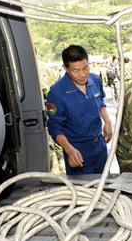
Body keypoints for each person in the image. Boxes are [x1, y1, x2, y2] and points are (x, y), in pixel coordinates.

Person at [47, 45, 112, 175]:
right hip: (77, 152)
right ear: (66, 68)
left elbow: (101, 103)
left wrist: (108, 122)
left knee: (105, 187)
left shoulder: (95, 80)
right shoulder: (56, 93)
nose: (83, 74)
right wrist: (69, 150)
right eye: (76, 70)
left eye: (85, 68)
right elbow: (54, 127)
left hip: (100, 147)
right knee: (83, 192)